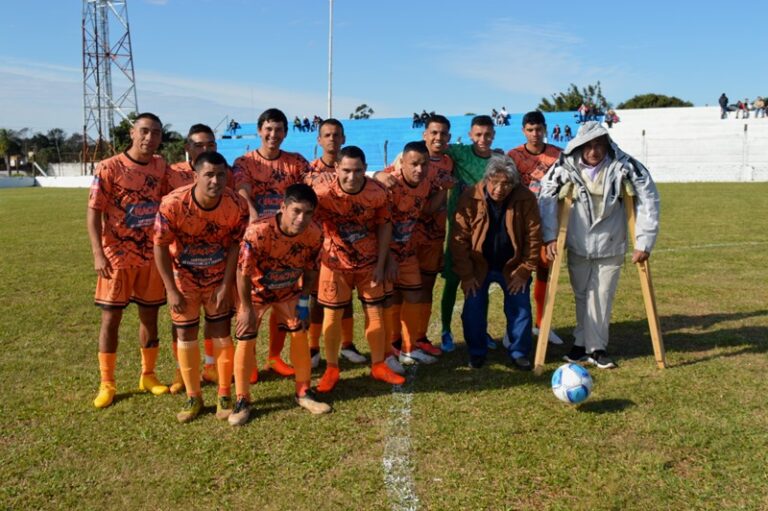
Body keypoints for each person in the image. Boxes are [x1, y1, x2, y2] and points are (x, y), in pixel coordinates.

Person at [539, 121, 660, 369]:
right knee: (582, 295)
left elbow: (648, 197)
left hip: (611, 241)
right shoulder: (565, 165)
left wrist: (644, 240)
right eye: (589, 146)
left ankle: (597, 349)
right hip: (577, 240)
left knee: (602, 295)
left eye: (599, 145)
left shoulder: (625, 165)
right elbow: (546, 193)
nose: (594, 151)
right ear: (580, 146)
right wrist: (550, 235)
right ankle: (581, 344)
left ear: (607, 145)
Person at [153, 151, 248, 422]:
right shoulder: (172, 204)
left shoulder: (235, 204)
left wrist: (225, 285)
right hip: (184, 280)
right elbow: (159, 246)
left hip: (217, 279)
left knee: (221, 333)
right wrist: (170, 289)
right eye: (208, 175)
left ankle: (224, 394)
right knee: (186, 336)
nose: (215, 181)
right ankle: (193, 396)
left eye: (221, 175)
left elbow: (234, 245)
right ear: (195, 176)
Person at [87, 112, 170, 408]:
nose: (150, 138)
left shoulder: (161, 166)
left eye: (156, 133)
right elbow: (94, 211)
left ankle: (148, 374)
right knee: (112, 318)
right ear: (132, 133)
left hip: (151, 255)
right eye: (144, 131)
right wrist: (98, 253)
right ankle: (107, 382)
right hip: (117, 256)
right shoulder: (109, 167)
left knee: (150, 316)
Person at [230, 184, 332, 425]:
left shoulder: (315, 233)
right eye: (296, 211)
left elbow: (310, 269)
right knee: (246, 336)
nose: (301, 219)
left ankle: (304, 391)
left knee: (299, 331)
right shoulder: (258, 231)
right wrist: (245, 308)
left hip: (287, 290)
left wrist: (305, 302)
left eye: (308, 213)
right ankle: (242, 398)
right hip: (256, 291)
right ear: (283, 207)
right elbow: (242, 272)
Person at [313, 146, 405, 392]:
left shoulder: (377, 192)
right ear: (336, 169)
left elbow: (385, 226)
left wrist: (382, 261)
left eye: (357, 171)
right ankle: (332, 368)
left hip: (369, 263)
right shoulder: (321, 192)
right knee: (332, 316)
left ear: (365, 170)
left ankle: (378, 365)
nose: (351, 177)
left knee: (375, 314)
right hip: (334, 263)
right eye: (345, 171)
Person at [233, 108, 310, 380]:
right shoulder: (244, 161)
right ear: (259, 130)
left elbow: (309, 190)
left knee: (281, 298)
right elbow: (241, 186)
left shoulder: (297, 162)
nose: (273, 135)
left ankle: (275, 358)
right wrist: (251, 209)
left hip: (287, 243)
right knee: (253, 303)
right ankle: (249, 362)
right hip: (257, 240)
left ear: (286, 133)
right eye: (268, 129)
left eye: (278, 130)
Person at [451, 155, 541, 369]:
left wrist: (525, 270)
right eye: (495, 182)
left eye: (506, 183)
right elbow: (459, 238)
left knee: (520, 308)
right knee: (473, 308)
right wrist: (467, 275)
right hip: (478, 265)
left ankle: (519, 352)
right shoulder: (470, 196)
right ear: (487, 179)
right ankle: (476, 352)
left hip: (513, 265)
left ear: (514, 183)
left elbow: (534, 236)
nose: (500, 188)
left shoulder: (525, 198)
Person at [167, 124, 226, 393]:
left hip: (214, 262)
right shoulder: (171, 174)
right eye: (199, 145)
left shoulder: (223, 173)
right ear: (187, 148)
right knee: (181, 321)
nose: (205, 149)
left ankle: (211, 366)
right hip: (180, 262)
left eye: (210, 145)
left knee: (216, 319)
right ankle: (183, 372)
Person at [303, 118, 366, 368]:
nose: (332, 139)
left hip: (350, 247)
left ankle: (348, 344)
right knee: (318, 299)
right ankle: (313, 347)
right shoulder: (310, 173)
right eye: (327, 135)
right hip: (320, 247)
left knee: (345, 298)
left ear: (344, 138)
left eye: (336, 134)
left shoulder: (351, 166)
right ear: (319, 140)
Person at [378, 141, 439, 370]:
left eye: (424, 164)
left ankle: (409, 347)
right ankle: (389, 349)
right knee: (389, 300)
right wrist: (388, 258)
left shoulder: (425, 185)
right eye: (413, 164)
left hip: (408, 251)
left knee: (414, 296)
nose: (419, 170)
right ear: (401, 162)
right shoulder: (388, 183)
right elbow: (379, 222)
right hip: (385, 253)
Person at [441, 115, 498, 352]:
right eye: (478, 135)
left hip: (487, 231)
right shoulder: (459, 153)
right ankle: (445, 330)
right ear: (470, 135)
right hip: (458, 229)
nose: (482, 139)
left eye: (487, 135)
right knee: (453, 281)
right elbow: (431, 146)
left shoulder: (499, 160)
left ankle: (479, 330)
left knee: (480, 283)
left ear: (493, 135)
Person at [506, 111, 564, 346]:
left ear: (545, 129)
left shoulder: (558, 155)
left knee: (544, 273)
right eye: (530, 130)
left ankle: (542, 324)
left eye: (539, 129)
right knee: (518, 274)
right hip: (520, 224)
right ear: (523, 131)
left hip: (548, 223)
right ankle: (513, 329)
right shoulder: (513, 155)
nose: (535, 134)